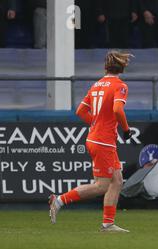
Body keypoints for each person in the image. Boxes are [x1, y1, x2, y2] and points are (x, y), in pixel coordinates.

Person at [48, 51, 134, 233]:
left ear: (105, 67)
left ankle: (108, 224)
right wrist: (126, 129)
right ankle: (60, 200)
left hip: (97, 137)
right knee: (101, 185)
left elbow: (80, 111)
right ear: (123, 67)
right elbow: (118, 110)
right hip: (103, 141)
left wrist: (96, 122)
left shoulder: (96, 85)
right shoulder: (120, 86)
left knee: (117, 181)